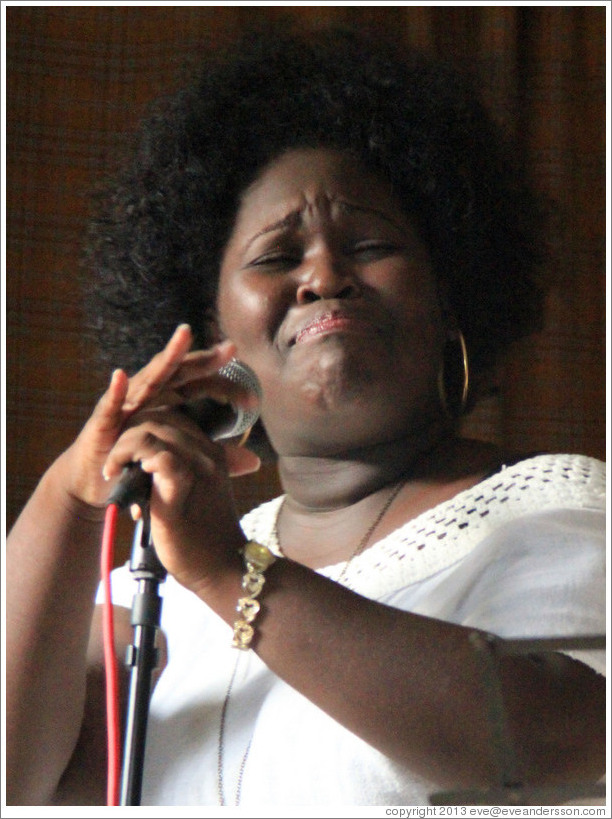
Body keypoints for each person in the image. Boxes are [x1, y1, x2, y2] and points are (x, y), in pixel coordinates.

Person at [6, 26, 605, 807]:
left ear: (449, 294)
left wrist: (233, 575)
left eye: (368, 243)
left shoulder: (559, 508)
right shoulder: (158, 583)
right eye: (275, 257)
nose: (324, 274)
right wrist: (71, 497)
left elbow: (569, 739)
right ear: (211, 336)